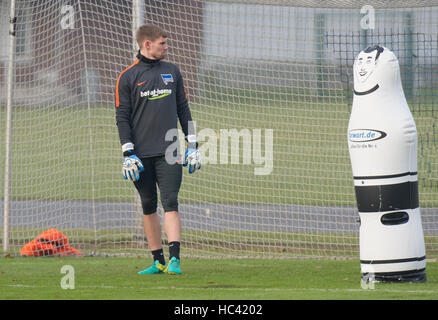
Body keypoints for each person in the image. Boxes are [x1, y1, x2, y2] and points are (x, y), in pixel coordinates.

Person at [115, 24, 200, 275]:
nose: (166, 46)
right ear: (147, 44)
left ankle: (175, 260)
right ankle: (157, 261)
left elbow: (184, 109)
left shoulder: (172, 72)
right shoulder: (127, 76)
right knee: (148, 204)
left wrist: (193, 144)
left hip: (171, 150)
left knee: (170, 201)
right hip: (140, 155)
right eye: (162, 43)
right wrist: (128, 153)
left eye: (166, 42)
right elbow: (122, 117)